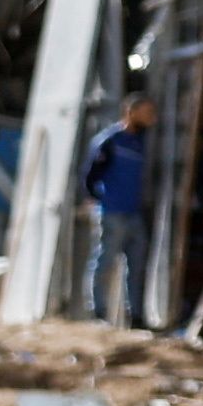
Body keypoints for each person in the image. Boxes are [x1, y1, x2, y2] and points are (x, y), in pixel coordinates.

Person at [81, 89, 159, 325]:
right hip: (112, 212)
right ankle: (98, 312)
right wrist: (99, 200)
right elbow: (90, 176)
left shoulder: (142, 143)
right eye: (146, 112)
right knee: (104, 261)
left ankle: (135, 315)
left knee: (136, 266)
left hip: (134, 212)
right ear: (131, 112)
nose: (150, 117)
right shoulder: (110, 141)